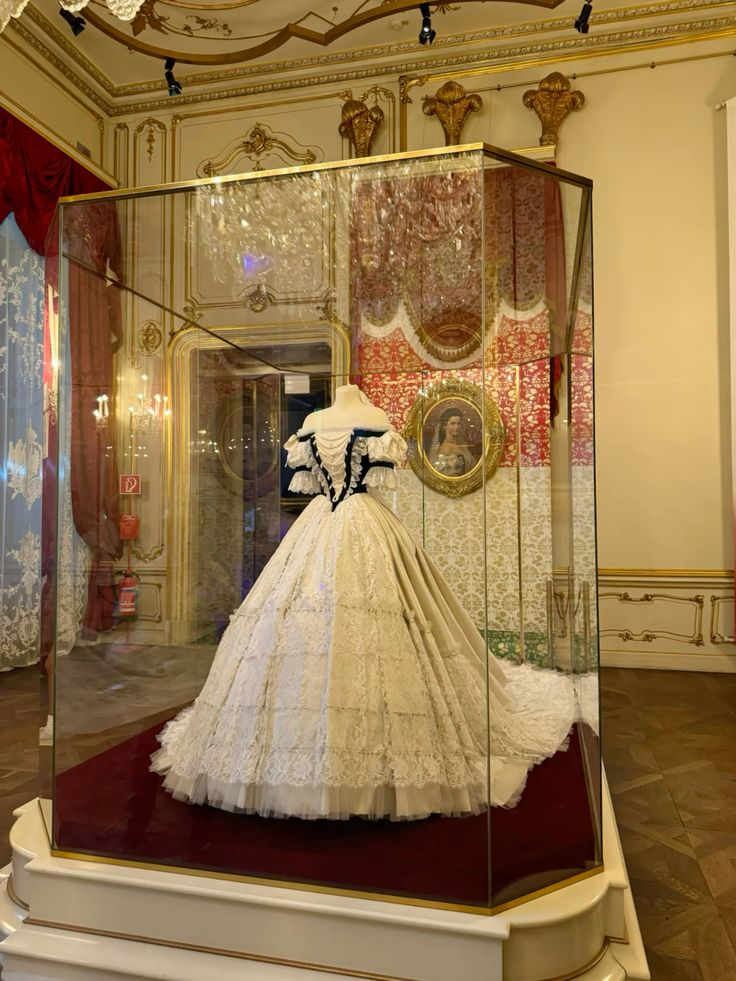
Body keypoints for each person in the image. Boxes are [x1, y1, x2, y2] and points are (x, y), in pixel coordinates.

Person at [151, 384, 573, 820]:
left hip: (325, 523)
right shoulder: (363, 422)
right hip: (356, 522)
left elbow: (319, 481)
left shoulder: (318, 427)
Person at [429, 407, 477, 476]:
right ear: (445, 425)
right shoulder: (445, 448)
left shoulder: (461, 444)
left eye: (458, 424)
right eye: (453, 423)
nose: (456, 427)